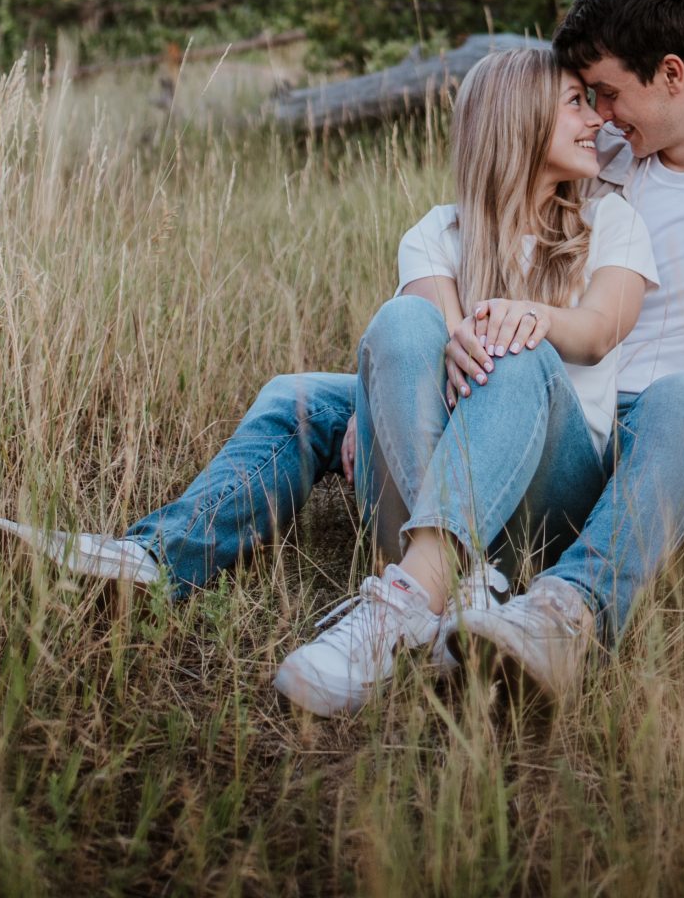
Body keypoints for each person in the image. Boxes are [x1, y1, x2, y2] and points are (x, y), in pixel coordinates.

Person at [0, 0, 684, 708]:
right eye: (581, 99)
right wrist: (387, 389)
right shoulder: (601, 160)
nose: (597, 114)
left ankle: (552, 613)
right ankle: (158, 559)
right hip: (537, 409)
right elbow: (472, 258)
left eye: (607, 94)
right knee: (303, 397)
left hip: (662, 438)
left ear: (671, 74)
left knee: (678, 395)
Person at [270, 44, 658, 715]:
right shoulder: (435, 235)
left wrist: (528, 315)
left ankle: (408, 597)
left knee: (513, 343)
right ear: (519, 121)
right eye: (575, 102)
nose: (597, 118)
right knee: (400, 322)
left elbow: (596, 333)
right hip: (442, 479)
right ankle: (456, 579)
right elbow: (435, 348)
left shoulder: (611, 223)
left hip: (547, 499)